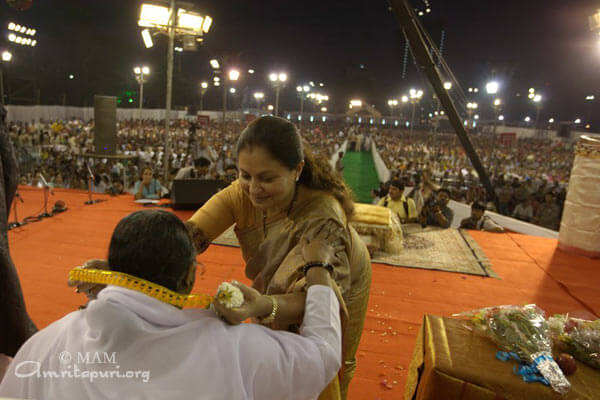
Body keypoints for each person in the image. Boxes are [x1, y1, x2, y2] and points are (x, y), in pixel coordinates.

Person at [0, 210, 343, 399]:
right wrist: (319, 267)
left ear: (110, 270)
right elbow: (323, 354)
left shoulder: (48, 346)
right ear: (190, 277)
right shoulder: (236, 348)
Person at [185, 116, 371, 399]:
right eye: (245, 175)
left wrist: (261, 304)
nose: (253, 189)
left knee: (326, 367)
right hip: (272, 294)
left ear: (297, 170)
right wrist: (122, 272)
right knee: (269, 358)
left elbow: (316, 302)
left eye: (267, 178)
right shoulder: (242, 192)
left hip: (337, 283)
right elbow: (187, 238)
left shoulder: (322, 218)